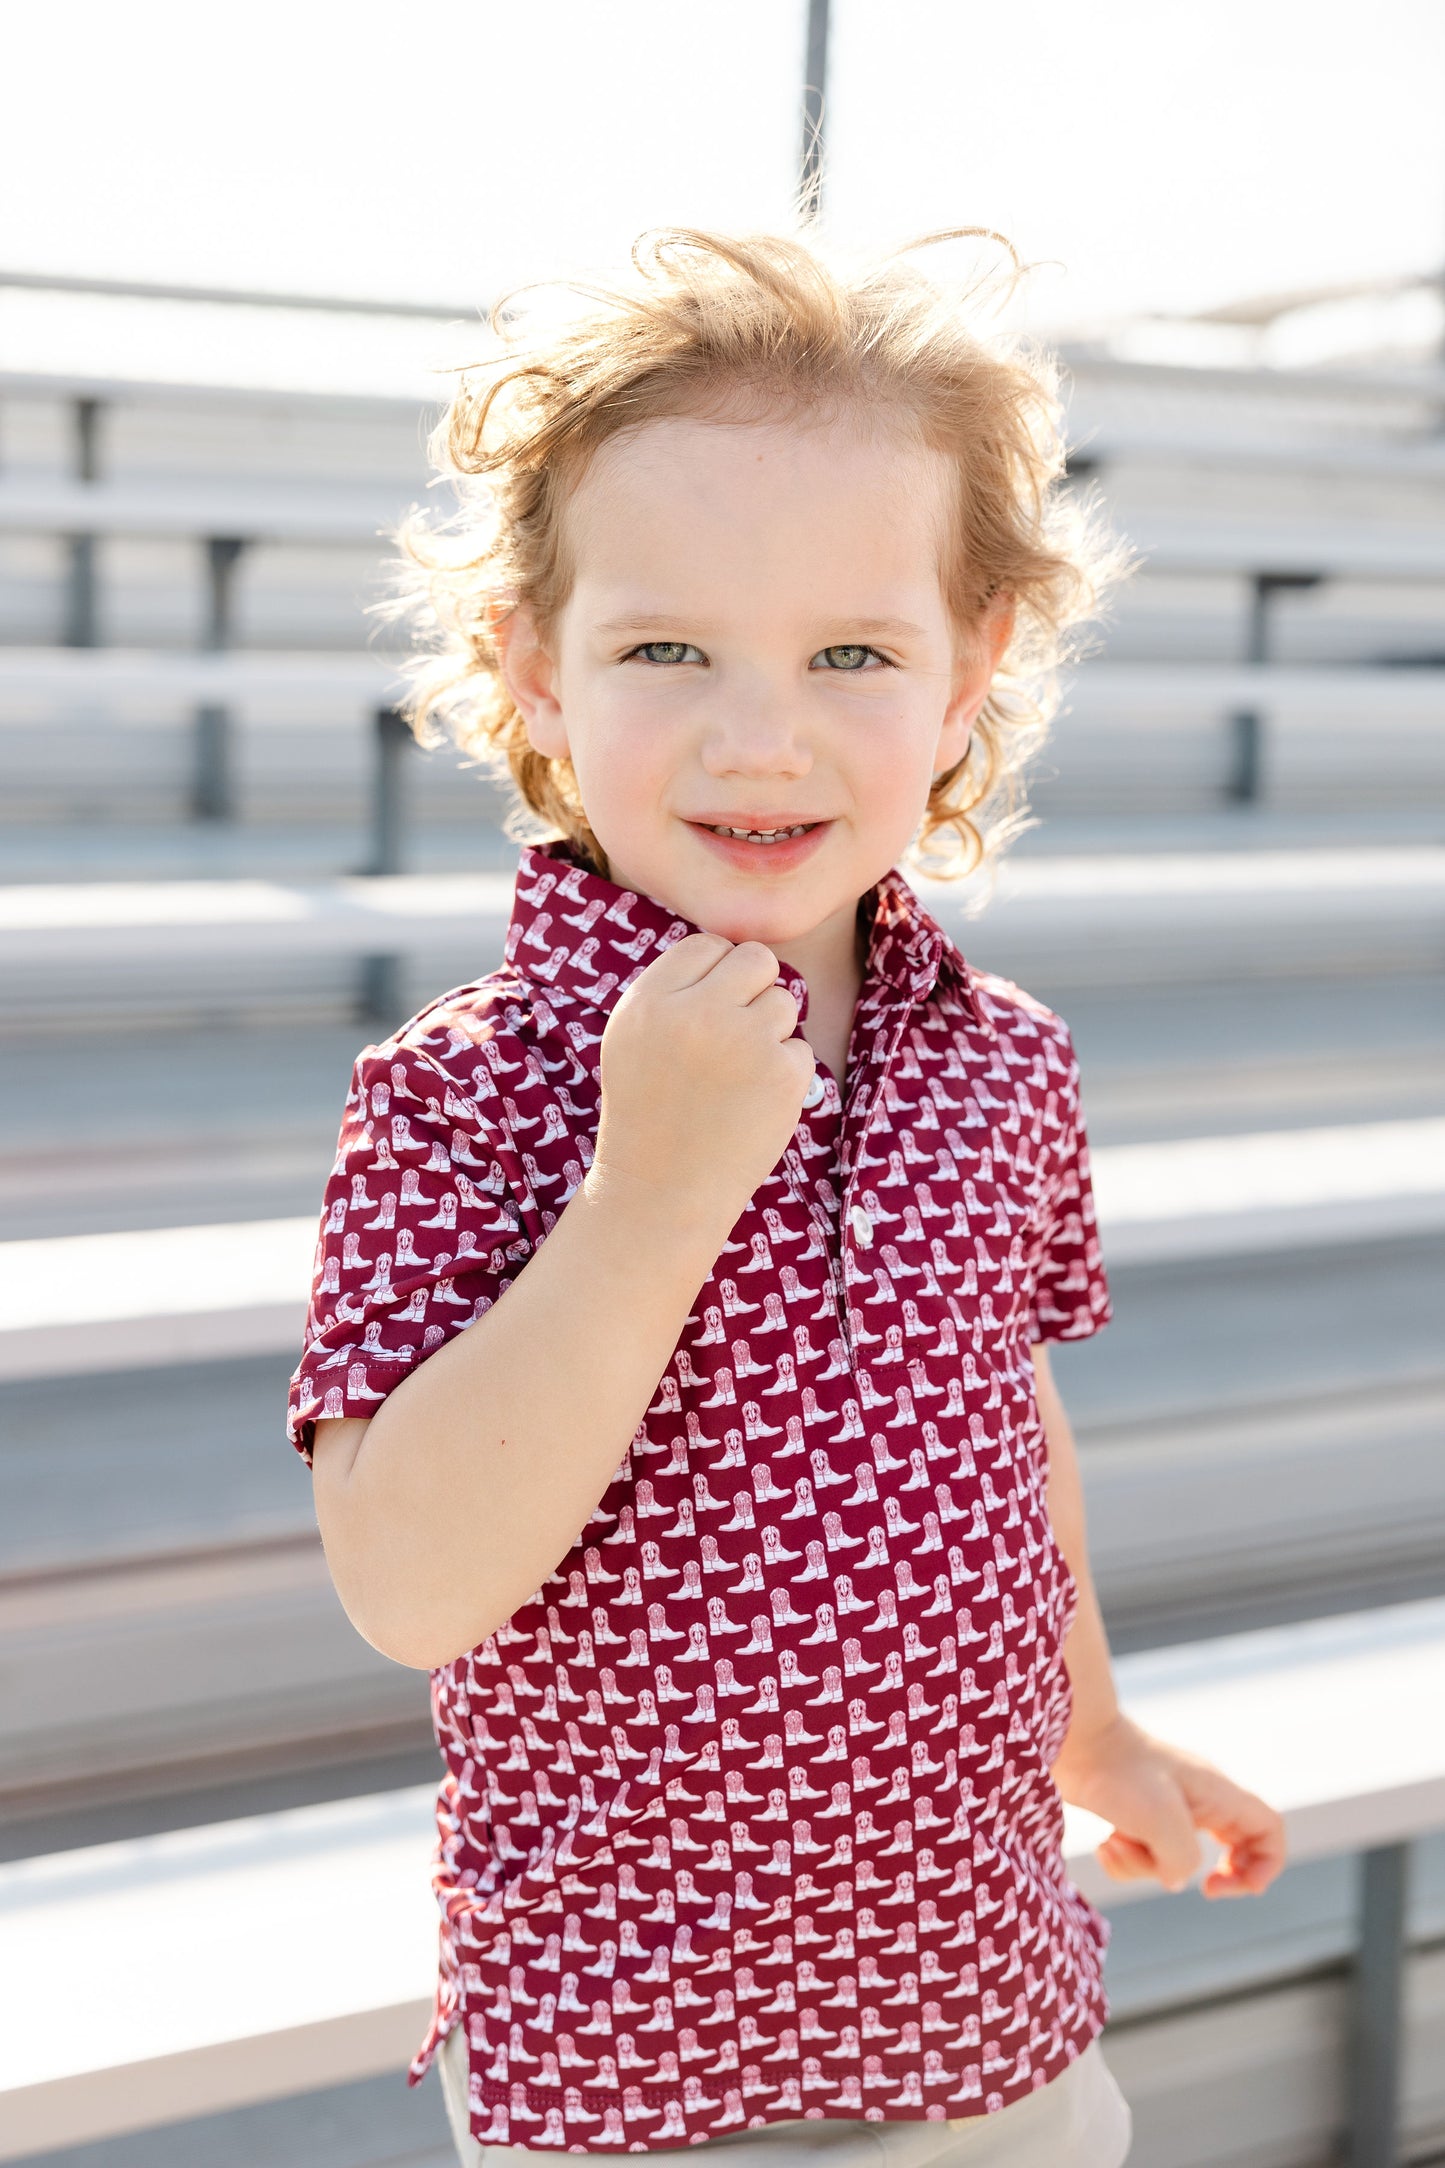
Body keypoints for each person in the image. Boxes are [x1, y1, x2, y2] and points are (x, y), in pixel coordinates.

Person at [288, 224, 1287, 2166]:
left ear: (975, 664)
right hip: (637, 2067)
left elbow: (1006, 1435)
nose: (764, 732)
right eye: (668, 649)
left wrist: (1102, 1735)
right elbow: (408, 1586)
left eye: (852, 651)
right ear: (534, 667)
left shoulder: (1005, 1060)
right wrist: (647, 1198)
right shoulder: (463, 1100)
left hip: (988, 2014)